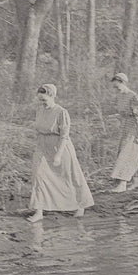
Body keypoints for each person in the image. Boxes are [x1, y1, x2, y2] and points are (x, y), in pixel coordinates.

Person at [27, 83, 94, 222]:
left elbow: (64, 136)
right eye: (40, 100)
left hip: (60, 146)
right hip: (43, 146)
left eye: (44, 100)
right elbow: (38, 128)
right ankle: (39, 211)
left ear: (52, 96)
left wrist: (58, 155)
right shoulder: (39, 110)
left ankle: (80, 205)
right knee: (38, 175)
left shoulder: (61, 112)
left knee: (70, 176)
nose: (42, 103)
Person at [107, 72, 138, 192]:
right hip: (124, 127)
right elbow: (122, 113)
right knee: (127, 153)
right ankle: (135, 181)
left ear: (123, 83)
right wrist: (114, 117)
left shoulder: (134, 97)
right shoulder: (120, 97)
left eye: (117, 86)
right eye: (114, 87)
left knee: (127, 154)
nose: (116, 89)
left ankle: (122, 184)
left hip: (134, 128)